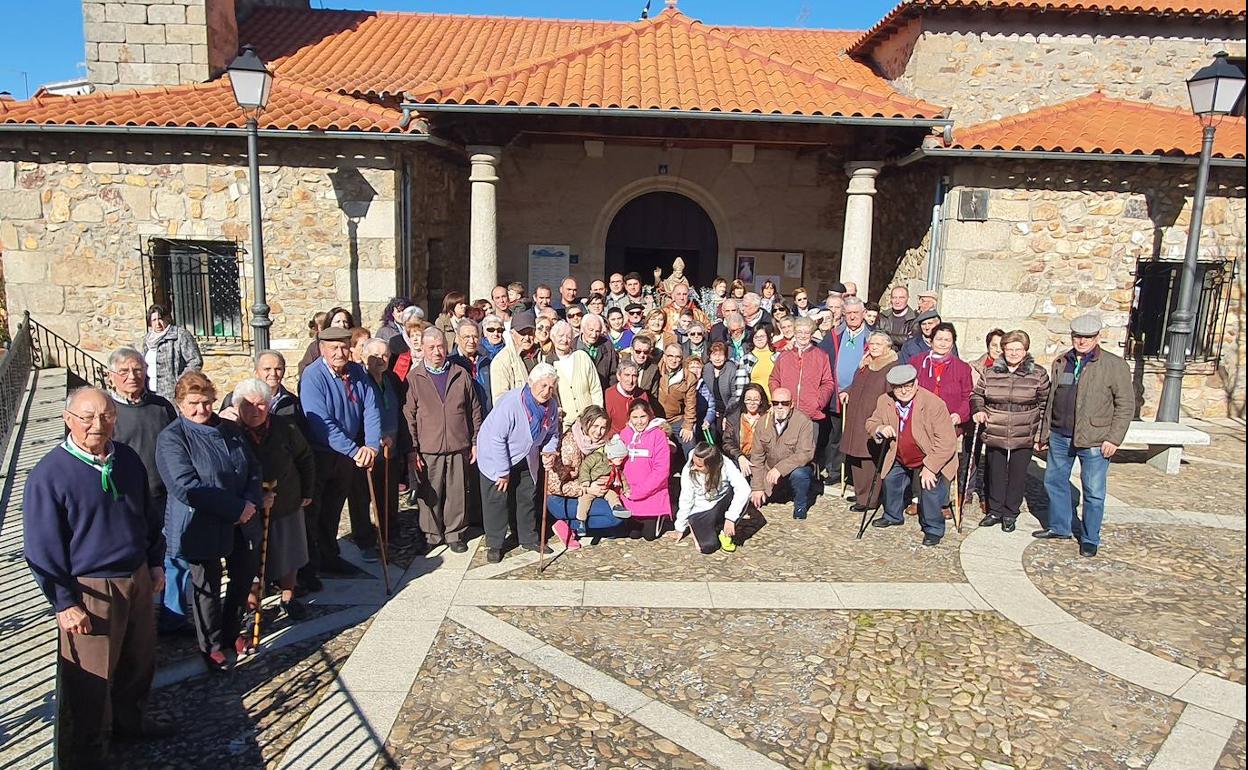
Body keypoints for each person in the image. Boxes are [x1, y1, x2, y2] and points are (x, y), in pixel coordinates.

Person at [24, 387, 170, 767]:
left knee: (138, 659)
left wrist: (155, 561)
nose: (97, 424)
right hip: (89, 587)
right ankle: (91, 752)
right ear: (68, 419)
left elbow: (148, 516)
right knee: (92, 676)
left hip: (135, 574)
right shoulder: (49, 474)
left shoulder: (126, 460)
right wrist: (64, 602)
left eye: (105, 415)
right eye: (87, 417)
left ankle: (130, 724)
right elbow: (41, 546)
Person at [157, 371, 262, 669]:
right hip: (201, 522)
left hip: (244, 519)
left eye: (206, 402)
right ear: (180, 403)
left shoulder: (229, 429)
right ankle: (211, 643)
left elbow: (252, 467)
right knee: (208, 587)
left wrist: (251, 503)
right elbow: (185, 486)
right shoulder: (172, 438)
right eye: (193, 403)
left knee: (241, 580)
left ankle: (231, 632)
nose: (201, 409)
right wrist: (234, 508)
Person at [1034, 314, 1134, 557]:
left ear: (1098, 337)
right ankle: (1060, 527)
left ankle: (1090, 537)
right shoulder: (1061, 361)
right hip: (1060, 434)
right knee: (1055, 482)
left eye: (1087, 337)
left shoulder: (1114, 365)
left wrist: (1114, 438)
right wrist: (1043, 432)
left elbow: (1125, 405)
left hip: (1096, 438)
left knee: (1094, 490)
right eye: (1077, 336)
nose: (1081, 341)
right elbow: (1051, 400)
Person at [299, 326, 381, 584]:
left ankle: (329, 556)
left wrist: (371, 445)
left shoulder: (357, 371)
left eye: (344, 347)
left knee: (335, 507)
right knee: (315, 511)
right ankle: (310, 566)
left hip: (348, 454)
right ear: (322, 349)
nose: (340, 352)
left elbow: (371, 406)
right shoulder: (313, 376)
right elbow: (321, 423)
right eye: (333, 348)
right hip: (321, 453)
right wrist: (354, 450)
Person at [106, 348, 181, 628]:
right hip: (126, 501)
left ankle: (173, 618)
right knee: (136, 563)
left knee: (172, 557)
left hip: (165, 495)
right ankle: (140, 621)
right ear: (112, 376)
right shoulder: (107, 412)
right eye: (124, 371)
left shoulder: (161, 407)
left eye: (137, 369)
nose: (132, 376)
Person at [232, 378, 315, 620]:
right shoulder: (230, 431)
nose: (254, 411)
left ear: (269, 405)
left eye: (260, 405)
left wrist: (307, 492)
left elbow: (305, 457)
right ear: (238, 406)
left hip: (286, 498)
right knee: (250, 556)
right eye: (248, 405)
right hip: (247, 505)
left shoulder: (285, 427)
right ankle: (251, 603)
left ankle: (288, 596)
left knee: (289, 550)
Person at [405, 327, 483, 554]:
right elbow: (408, 416)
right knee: (429, 494)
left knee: (457, 492)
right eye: (431, 348)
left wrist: (476, 441)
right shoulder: (414, 378)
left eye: (440, 347)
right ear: (423, 350)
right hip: (429, 448)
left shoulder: (460, 374)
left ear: (446, 347)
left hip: (459, 444)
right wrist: (413, 449)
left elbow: (474, 410)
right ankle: (431, 534)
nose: (437, 352)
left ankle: (455, 533)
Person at [477, 364, 561, 563]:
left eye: (551, 387)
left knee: (526, 495)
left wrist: (549, 450)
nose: (546, 391)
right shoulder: (512, 403)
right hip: (495, 455)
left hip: (526, 455)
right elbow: (497, 439)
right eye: (543, 385)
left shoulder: (552, 405)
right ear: (530, 382)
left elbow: (552, 433)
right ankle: (495, 543)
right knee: (497, 499)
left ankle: (528, 537)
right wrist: (503, 471)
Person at [865, 365, 957, 547]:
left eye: (908, 385)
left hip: (929, 455)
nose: (904, 391)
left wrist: (931, 467)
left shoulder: (934, 404)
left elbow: (947, 442)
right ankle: (893, 515)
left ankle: (933, 528)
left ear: (916, 383)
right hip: (899, 454)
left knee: (929, 486)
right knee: (891, 479)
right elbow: (871, 422)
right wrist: (879, 428)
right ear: (892, 387)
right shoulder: (885, 400)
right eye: (899, 387)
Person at [970, 330, 1050, 532]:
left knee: (1017, 474)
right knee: (994, 471)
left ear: (1025, 351)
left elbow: (1045, 404)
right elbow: (977, 396)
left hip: (1024, 430)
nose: (1013, 353)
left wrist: (1040, 433)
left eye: (1018, 349)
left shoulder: (1038, 374)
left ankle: (1010, 513)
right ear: (1003, 350)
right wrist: (979, 411)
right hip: (996, 428)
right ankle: (994, 510)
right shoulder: (990, 373)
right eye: (1009, 349)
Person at [545, 408, 632, 549]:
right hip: (559, 499)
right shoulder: (570, 445)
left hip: (589, 493)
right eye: (595, 426)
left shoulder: (601, 445)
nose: (599, 432)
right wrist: (586, 487)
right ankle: (565, 524)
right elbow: (554, 485)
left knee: (618, 515)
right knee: (614, 518)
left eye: (603, 427)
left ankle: (579, 526)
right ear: (586, 423)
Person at [769, 317, 836, 482]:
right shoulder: (784, 356)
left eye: (807, 332)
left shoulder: (821, 356)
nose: (803, 335)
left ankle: (807, 487)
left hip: (810, 413)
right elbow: (774, 379)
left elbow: (828, 382)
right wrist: (779, 400)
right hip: (787, 411)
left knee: (807, 453)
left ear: (812, 334)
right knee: (785, 451)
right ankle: (786, 485)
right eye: (799, 332)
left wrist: (818, 402)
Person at [839, 331, 899, 512]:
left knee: (868, 459)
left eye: (878, 344)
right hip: (856, 416)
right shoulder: (866, 363)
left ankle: (869, 499)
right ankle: (860, 493)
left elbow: (891, 394)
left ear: (887, 347)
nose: (873, 347)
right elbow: (856, 383)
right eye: (872, 343)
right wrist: (847, 391)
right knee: (856, 456)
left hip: (873, 417)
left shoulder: (891, 367)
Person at [362, 337, 408, 545]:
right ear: (365, 357)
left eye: (385, 355)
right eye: (376, 356)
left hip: (393, 447)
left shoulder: (392, 379)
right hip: (373, 448)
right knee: (373, 494)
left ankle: (391, 527)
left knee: (390, 492)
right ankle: (373, 532)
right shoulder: (362, 381)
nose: (381, 359)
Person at [747, 387, 816, 520]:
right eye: (775, 403)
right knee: (754, 501)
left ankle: (800, 505)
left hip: (793, 469)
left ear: (791, 404)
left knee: (801, 475)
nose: (779, 407)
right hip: (769, 471)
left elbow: (805, 453)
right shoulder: (763, 422)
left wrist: (780, 468)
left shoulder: (803, 422)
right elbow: (757, 457)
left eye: (784, 403)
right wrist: (757, 487)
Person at [673, 442, 751, 554]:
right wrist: (680, 527)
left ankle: (724, 531)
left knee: (744, 496)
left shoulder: (725, 464)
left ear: (712, 465)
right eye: (693, 463)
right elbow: (686, 498)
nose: (694, 467)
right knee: (708, 547)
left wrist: (731, 518)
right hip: (701, 510)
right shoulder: (689, 469)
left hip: (721, 502)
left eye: (699, 466)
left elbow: (744, 488)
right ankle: (698, 525)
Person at [619, 398, 673, 539]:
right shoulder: (625, 434)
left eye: (643, 417)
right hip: (629, 493)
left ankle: (659, 515)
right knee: (633, 535)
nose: (639, 421)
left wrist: (640, 491)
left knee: (649, 536)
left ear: (649, 416)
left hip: (652, 494)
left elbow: (661, 470)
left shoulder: (658, 435)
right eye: (635, 417)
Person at [912, 323, 974, 436]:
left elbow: (967, 396)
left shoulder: (962, 368)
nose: (943, 343)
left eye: (947, 340)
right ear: (931, 341)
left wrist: (959, 415)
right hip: (919, 423)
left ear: (952, 343)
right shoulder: (917, 362)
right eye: (939, 339)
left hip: (948, 425)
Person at [547, 320, 604, 428]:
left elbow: (595, 388)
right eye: (560, 336)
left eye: (568, 336)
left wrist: (597, 414)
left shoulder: (582, 356)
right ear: (552, 337)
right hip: (566, 424)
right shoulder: (549, 363)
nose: (564, 340)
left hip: (589, 421)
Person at [141, 304, 203, 402]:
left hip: (173, 395)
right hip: (150, 394)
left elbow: (195, 361)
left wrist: (180, 383)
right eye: (154, 320)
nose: (158, 323)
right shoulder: (147, 339)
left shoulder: (180, 335)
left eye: (160, 319)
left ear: (167, 319)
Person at [491, 310, 543, 402]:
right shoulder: (501, 361)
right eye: (522, 333)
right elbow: (500, 400)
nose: (527, 338)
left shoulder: (541, 354)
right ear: (512, 333)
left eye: (530, 333)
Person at [656, 343, 698, 456]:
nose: (673, 360)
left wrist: (688, 425)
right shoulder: (656, 370)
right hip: (657, 418)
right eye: (670, 356)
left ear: (681, 359)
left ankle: (690, 470)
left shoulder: (689, 377)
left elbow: (691, 404)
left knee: (689, 441)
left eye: (677, 357)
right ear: (664, 357)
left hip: (676, 418)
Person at [722, 383, 769, 481]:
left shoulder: (768, 417)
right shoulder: (734, 417)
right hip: (740, 457)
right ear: (743, 400)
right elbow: (727, 442)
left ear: (761, 401)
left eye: (756, 400)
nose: (752, 403)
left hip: (762, 460)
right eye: (748, 399)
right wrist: (740, 457)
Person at [450, 318, 494, 414]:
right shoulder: (451, 364)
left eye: (475, 336)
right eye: (466, 337)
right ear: (457, 338)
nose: (471, 341)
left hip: (487, 417)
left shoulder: (487, 361)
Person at [297, 306, 353, 377]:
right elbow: (304, 369)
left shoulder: (356, 343)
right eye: (337, 321)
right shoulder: (316, 346)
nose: (342, 325)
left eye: (345, 322)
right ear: (329, 324)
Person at [605, 359, 649, 435]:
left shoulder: (641, 394)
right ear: (618, 376)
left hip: (638, 436)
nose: (630, 380)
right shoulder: (609, 394)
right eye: (627, 375)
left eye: (634, 376)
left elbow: (649, 417)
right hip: (616, 437)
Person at [704, 341, 746, 419]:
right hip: (712, 411)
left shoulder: (731, 369)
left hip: (729, 410)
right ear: (710, 357)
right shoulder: (707, 369)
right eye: (714, 355)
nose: (717, 358)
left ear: (726, 357)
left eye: (720, 355)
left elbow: (735, 395)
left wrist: (727, 414)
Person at [578, 313, 618, 389]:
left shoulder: (607, 345)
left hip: (602, 390)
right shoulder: (573, 346)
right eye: (591, 330)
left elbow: (613, 373)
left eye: (597, 331)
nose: (594, 335)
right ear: (582, 328)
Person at [392, 314, 428, 381]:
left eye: (418, 335)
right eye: (412, 336)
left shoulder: (431, 357)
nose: (415, 339)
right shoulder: (403, 358)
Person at [745, 326, 776, 396]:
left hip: (775, 402)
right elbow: (741, 386)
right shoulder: (746, 358)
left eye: (762, 336)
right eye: (756, 337)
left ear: (768, 337)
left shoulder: (777, 356)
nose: (759, 339)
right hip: (756, 402)